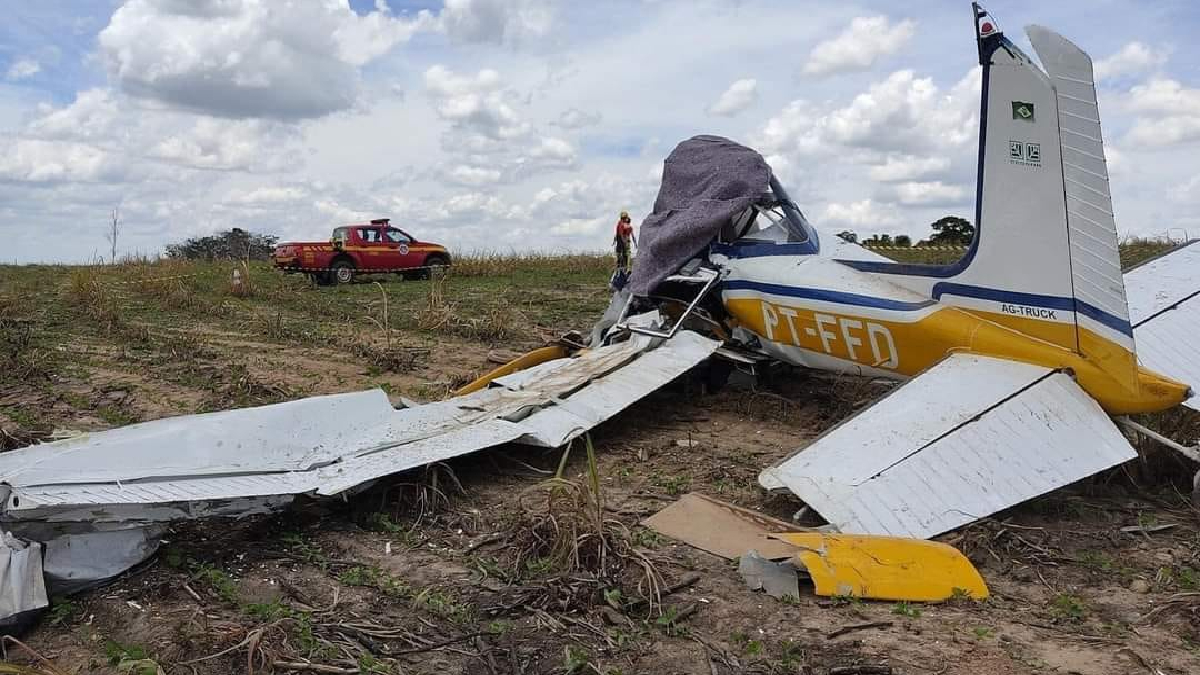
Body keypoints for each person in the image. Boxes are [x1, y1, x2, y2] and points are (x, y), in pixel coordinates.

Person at [611, 211, 637, 291]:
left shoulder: (621, 224)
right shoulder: (624, 225)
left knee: (622, 257)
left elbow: (618, 235)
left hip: (622, 243)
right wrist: (632, 243)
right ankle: (625, 270)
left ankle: (622, 270)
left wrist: (615, 241)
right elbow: (623, 235)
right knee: (625, 257)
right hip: (624, 243)